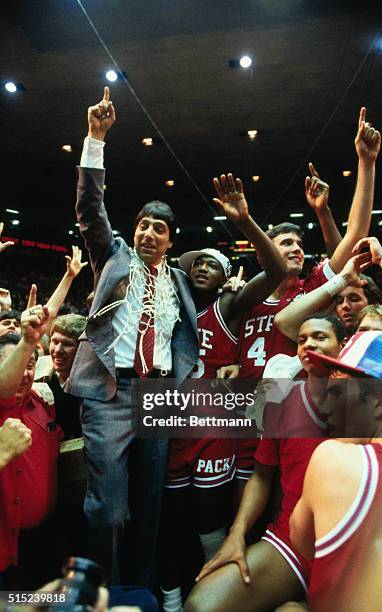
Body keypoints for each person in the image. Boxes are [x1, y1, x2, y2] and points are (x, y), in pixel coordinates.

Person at [66, 87, 199, 587]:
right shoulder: (113, 257)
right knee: (108, 510)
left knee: (149, 506)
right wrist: (95, 138)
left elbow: (190, 336)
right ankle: (105, 591)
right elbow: (90, 209)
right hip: (112, 393)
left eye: (157, 230)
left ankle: (140, 591)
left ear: (170, 239)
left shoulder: (182, 282)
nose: (146, 234)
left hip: (160, 394)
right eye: (142, 225)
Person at [160, 173, 288, 610]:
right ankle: (172, 596)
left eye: (213, 265)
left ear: (224, 279)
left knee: (208, 521)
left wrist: (246, 222)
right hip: (167, 425)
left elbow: (277, 271)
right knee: (169, 522)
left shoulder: (229, 306)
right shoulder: (169, 308)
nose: (203, 268)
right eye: (197, 262)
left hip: (214, 425)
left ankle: (211, 594)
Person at [183, 311, 346, 612]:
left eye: (320, 337)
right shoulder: (282, 401)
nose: (308, 344)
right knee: (201, 605)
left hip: (351, 546)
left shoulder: (366, 403)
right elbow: (261, 477)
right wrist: (236, 534)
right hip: (294, 544)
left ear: (343, 344)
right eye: (301, 340)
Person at [290, 331, 382, 611]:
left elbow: (303, 542)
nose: (327, 407)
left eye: (337, 391)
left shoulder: (333, 459)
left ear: (377, 401)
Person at [0, 332, 63, 588]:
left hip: (45, 542)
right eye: (15, 365)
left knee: (49, 602)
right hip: (5, 550)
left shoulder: (44, 403)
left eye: (29, 365)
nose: (23, 374)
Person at [36, 314, 86, 439]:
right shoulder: (37, 377)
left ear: (82, 349)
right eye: (55, 341)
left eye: (67, 344)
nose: (58, 350)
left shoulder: (98, 381)